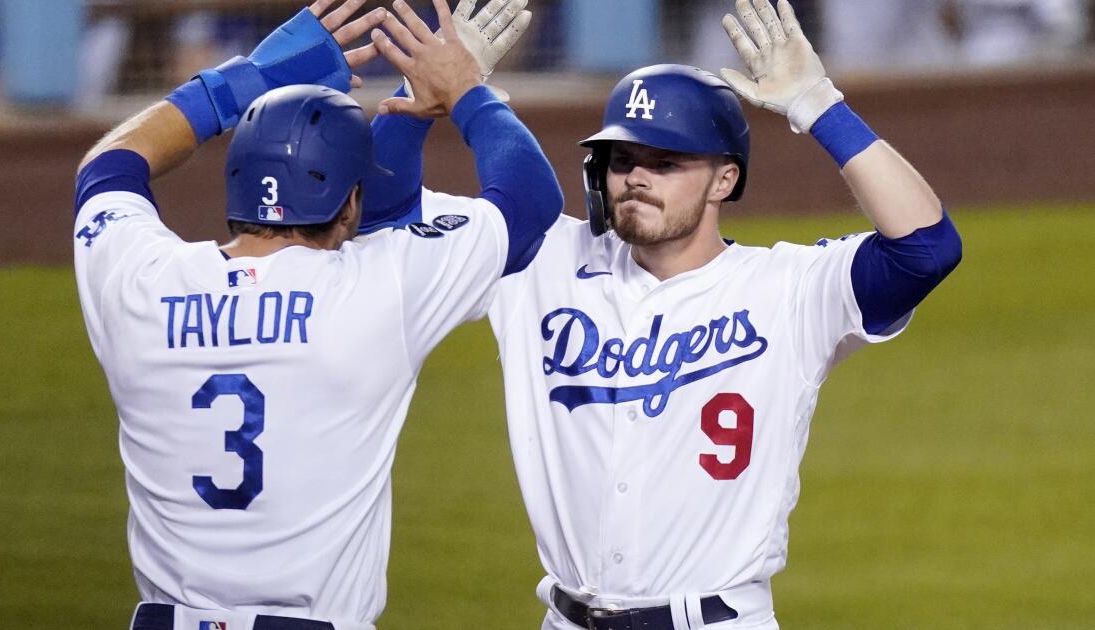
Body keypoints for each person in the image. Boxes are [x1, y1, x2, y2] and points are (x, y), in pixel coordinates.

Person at [366, 0, 962, 627]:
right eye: (622, 160)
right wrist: (421, 98)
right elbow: (374, 218)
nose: (636, 178)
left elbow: (926, 249)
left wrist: (820, 107)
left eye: (667, 163)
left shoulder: (789, 290)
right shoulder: (536, 257)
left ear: (723, 180)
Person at [71, 0, 559, 627]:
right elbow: (527, 202)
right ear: (348, 205)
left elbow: (109, 166)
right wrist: (459, 91)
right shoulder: (375, 290)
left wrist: (243, 81)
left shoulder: (137, 282)